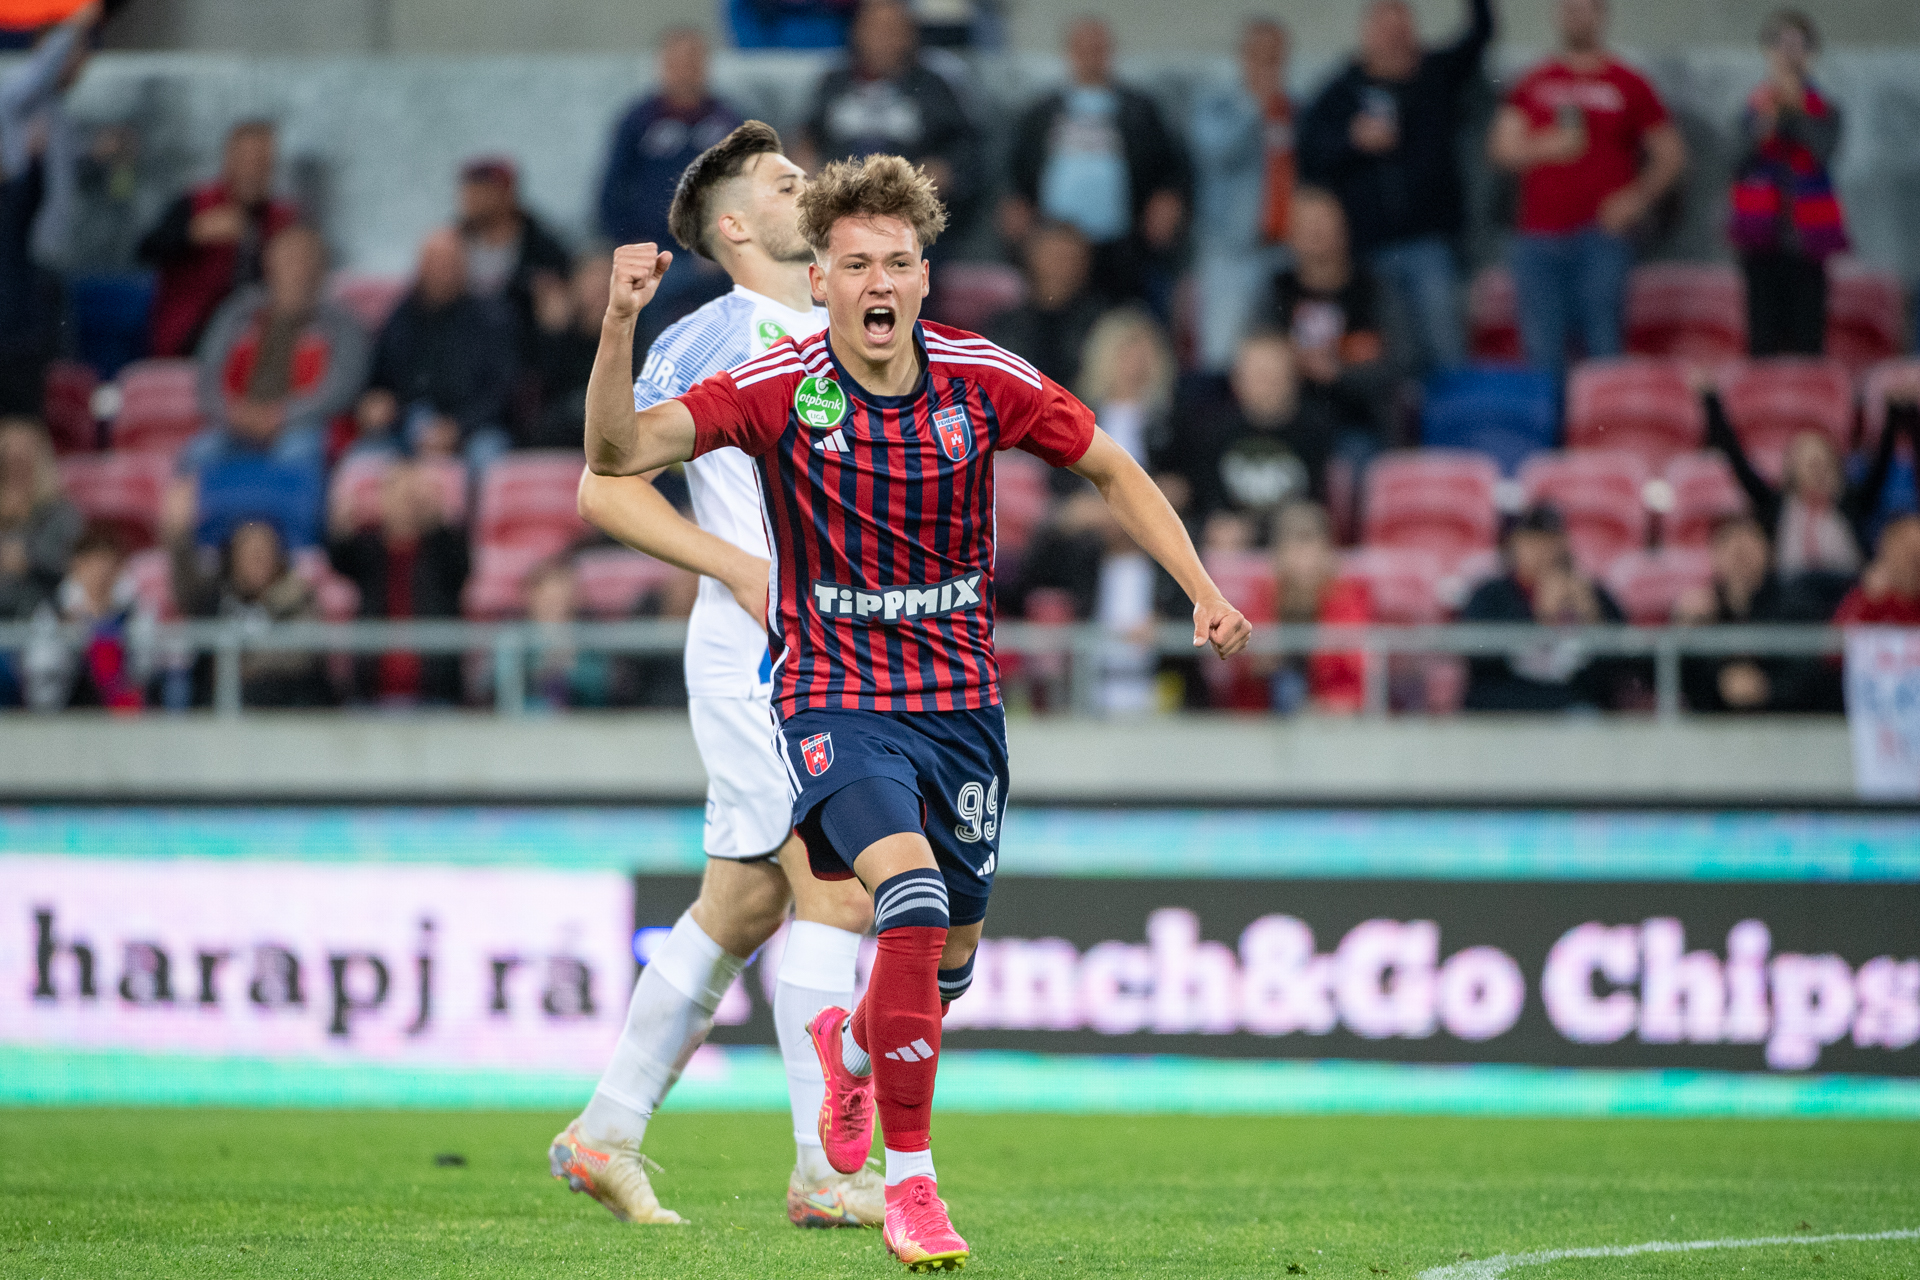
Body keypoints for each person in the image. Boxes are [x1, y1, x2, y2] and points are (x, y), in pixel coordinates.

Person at [582, 153, 1250, 1269]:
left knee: (946, 959)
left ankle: (847, 1059)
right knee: (904, 892)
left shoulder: (982, 377)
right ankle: (906, 1186)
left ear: (925, 277)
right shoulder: (774, 382)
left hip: (959, 706)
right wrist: (616, 323)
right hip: (832, 697)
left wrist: (1203, 588)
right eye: (854, 264)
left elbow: (1112, 468)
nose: (877, 282)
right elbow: (614, 456)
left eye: (896, 262)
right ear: (823, 280)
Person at [562, 121, 883, 1230]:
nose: (813, 186)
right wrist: (739, 565)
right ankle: (824, 1169)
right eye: (787, 183)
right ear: (736, 226)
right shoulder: (716, 334)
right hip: (760, 656)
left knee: (743, 904)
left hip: (838, 653)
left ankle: (603, 1132)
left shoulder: (842, 326)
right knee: (837, 891)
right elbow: (604, 484)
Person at [1489, 0, 1687, 381]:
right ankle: (1552, 421)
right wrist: (1547, 146)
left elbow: (1672, 154)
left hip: (1602, 238)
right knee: (1542, 354)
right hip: (1538, 237)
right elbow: (1501, 149)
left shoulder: (1628, 81)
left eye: (1586, 7)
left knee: (1603, 347)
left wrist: (1637, 198)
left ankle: (1603, 419)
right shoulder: (1533, 81)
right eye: (1570, 7)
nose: (1577, 15)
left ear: (1601, 14)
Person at [1298, 0, 1493, 377]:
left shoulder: (1434, 75)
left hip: (1429, 245)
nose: (1393, 40)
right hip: (1366, 252)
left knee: (1445, 349)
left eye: (1401, 31)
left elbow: (1480, 36)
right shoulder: (1341, 90)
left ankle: (1449, 416)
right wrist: (1352, 140)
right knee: (1382, 353)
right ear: (1367, 35)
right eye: (1385, 31)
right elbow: (1310, 154)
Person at [1002, 16, 1191, 311]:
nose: (1091, 57)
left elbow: (1171, 167)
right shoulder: (1041, 112)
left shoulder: (1140, 109)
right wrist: (1015, 203)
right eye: (1083, 49)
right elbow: (1016, 170)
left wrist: (1168, 198)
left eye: (1098, 49)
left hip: (1122, 241)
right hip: (1056, 240)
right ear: (1069, 53)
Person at [181, 225, 370, 474]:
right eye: (288, 258)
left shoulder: (343, 324)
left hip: (303, 426)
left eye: (306, 259)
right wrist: (233, 413)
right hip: (235, 422)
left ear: (321, 268)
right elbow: (208, 376)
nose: (297, 269)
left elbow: (341, 390)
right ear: (268, 263)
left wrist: (282, 416)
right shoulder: (237, 313)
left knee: (296, 455)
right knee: (199, 453)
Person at [800, 0, 981, 249]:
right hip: (838, 210)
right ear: (856, 32)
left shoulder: (933, 87)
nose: (882, 39)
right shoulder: (834, 82)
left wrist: (939, 173)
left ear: (911, 35)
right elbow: (807, 138)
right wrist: (803, 164)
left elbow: (965, 150)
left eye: (892, 30)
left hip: (909, 217)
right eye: (874, 28)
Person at [1702, 382, 1914, 587]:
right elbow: (1739, 464)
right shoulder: (1776, 504)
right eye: (1807, 460)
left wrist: (1894, 412)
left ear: (1834, 465)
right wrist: (1711, 400)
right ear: (1793, 468)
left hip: (1844, 587)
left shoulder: (1852, 501)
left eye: (1822, 460)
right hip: (1791, 591)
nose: (1816, 466)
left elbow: (1880, 468)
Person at [596, 28, 742, 318]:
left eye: (692, 61)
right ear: (662, 65)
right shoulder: (638, 121)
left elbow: (750, 190)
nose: (685, 71)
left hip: (716, 256)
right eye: (676, 62)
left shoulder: (729, 121)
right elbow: (611, 193)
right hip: (653, 251)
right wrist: (634, 246)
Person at [1729, 10, 1848, 357]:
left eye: (1798, 46)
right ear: (1768, 52)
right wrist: (1766, 121)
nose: (1789, 54)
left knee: (1808, 340)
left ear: (1811, 53)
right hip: (1760, 238)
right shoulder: (1752, 110)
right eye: (1781, 45)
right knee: (1762, 341)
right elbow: (1736, 163)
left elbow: (1822, 151)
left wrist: (1796, 107)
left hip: (1808, 240)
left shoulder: (1826, 110)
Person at [0, 2, 99, 415]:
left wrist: (99, 152)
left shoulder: (57, 113)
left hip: (50, 261)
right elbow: (40, 74)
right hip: (19, 263)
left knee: (57, 385)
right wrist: (75, 25)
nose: (82, 62)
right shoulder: (18, 94)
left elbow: (69, 166)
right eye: (77, 52)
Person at [356, 229, 516, 472]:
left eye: (449, 263)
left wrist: (457, 427)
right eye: (434, 262)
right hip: (406, 423)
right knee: (363, 462)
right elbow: (379, 379)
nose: (442, 271)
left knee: (488, 458)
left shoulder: (493, 318)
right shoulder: (401, 316)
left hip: (475, 428)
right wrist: (375, 403)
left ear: (465, 267)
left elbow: (504, 392)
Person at [161, 476, 328, 708]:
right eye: (248, 550)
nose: (257, 557)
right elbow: (187, 589)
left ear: (278, 557)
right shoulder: (216, 596)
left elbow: (300, 656)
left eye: (264, 550)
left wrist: (241, 663)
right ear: (233, 556)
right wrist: (178, 535)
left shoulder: (297, 596)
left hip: (282, 709)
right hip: (219, 711)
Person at [139, 120, 300, 359]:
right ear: (229, 160)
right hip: (191, 338)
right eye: (248, 160)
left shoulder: (283, 218)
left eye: (263, 162)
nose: (254, 170)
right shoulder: (196, 203)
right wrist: (194, 231)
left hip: (258, 336)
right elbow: (145, 249)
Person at [1190, 19, 1298, 372]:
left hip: (1285, 251)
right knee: (1220, 353)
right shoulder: (1217, 107)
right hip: (1231, 251)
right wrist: (1255, 106)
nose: (1267, 67)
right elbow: (1216, 152)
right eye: (1258, 57)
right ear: (1243, 58)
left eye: (1274, 58)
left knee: (1280, 350)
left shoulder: (1295, 110)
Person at [1461, 504, 1630, 712]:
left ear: (1563, 544)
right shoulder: (1490, 593)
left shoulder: (1589, 592)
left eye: (1550, 542)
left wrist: (1590, 616)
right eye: (1532, 542)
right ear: (1514, 545)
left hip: (1572, 705)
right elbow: (1476, 655)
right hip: (1503, 706)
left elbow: (1621, 658)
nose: (1542, 551)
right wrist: (1539, 616)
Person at [326, 460, 469, 705]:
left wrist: (437, 519)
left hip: (435, 694)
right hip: (372, 692)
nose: (405, 501)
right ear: (382, 498)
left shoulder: (442, 551)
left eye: (412, 494)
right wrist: (343, 523)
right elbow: (340, 557)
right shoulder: (368, 548)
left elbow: (461, 567)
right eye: (397, 491)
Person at [1159, 331, 1333, 528]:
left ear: (1294, 378)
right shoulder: (1209, 431)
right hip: (1228, 538)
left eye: (1273, 374)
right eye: (1257, 375)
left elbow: (1322, 505)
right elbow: (1200, 500)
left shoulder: (1318, 430)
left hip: (1292, 536)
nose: (1266, 385)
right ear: (1237, 380)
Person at [1264, 185, 1396, 444]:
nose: (1315, 232)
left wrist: (1338, 373)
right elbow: (1256, 355)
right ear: (1289, 234)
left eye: (1323, 223)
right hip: (1289, 427)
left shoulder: (1374, 288)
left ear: (1344, 228)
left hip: (1361, 425)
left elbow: (1403, 363)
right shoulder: (1276, 290)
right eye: (1306, 224)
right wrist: (1295, 361)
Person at [1673, 513, 1824, 713]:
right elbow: (1676, 681)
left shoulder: (1797, 607)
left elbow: (1812, 675)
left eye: (1749, 540)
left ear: (1769, 549)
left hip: (1785, 722)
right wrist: (1683, 629)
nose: (1739, 551)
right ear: (1714, 555)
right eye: (1728, 542)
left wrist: (1767, 688)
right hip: (1713, 724)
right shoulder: (1699, 609)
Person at [21, 522, 149, 712]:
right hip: (69, 704)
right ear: (76, 564)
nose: (100, 572)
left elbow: (146, 667)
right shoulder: (54, 610)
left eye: (107, 563)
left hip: (121, 709)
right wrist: (73, 639)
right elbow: (40, 670)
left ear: (117, 568)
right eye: (92, 563)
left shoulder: (134, 610)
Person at [456, 156, 573, 349]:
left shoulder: (542, 247)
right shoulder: (452, 242)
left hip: (521, 344)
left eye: (481, 191)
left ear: (506, 194)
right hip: (463, 343)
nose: (469, 199)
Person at [1269, 500, 1372, 714]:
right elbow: (1248, 667)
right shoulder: (1267, 598)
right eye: (1294, 550)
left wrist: (1330, 706)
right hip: (1268, 716)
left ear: (1327, 552)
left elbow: (1356, 675)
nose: (1303, 562)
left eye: (1310, 549)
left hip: (1335, 714)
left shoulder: (1347, 600)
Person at [984, 220, 1106, 390]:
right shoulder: (1007, 324)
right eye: (1052, 256)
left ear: (1085, 264)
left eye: (1069, 257)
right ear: (1031, 259)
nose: (1060, 266)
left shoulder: (1103, 323)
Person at [526, 251, 614, 450]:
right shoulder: (560, 330)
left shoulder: (634, 331)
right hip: (559, 428)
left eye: (607, 278)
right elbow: (543, 385)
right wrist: (552, 334)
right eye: (592, 277)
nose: (601, 288)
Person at [0, 417, 80, 619]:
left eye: (24, 455)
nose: (15, 462)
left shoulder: (60, 514)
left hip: (41, 617)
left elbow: (77, 571)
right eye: (8, 455)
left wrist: (31, 562)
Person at [1076, 307, 1175, 469]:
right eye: (1127, 352)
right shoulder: (1078, 417)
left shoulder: (1170, 421)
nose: (1136, 363)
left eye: (1143, 354)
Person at [1833, 514, 1920, 627]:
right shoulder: (1872, 596)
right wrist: (1871, 600)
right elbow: (1841, 631)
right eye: (1907, 553)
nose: (1913, 562)